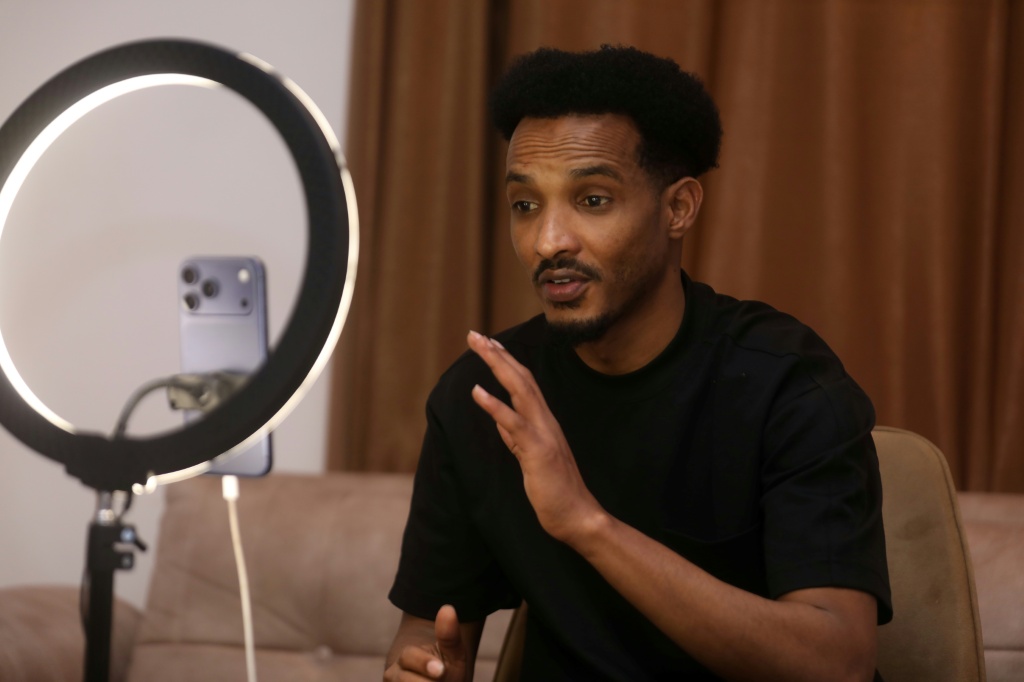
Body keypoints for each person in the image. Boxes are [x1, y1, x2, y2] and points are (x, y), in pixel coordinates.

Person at [383, 45, 891, 682]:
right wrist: (424, 668)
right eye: (525, 205)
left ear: (678, 208)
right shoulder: (484, 395)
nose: (548, 241)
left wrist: (585, 522)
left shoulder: (787, 383)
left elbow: (838, 663)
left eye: (593, 200)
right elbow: (428, 632)